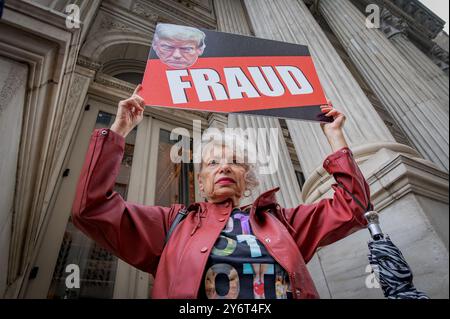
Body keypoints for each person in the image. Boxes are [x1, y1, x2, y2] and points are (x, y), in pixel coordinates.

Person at [72, 84, 371, 299]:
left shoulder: (284, 223)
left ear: (248, 180)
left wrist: (336, 136)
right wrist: (119, 131)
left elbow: (354, 208)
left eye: (235, 163)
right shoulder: (170, 224)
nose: (225, 168)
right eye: (213, 162)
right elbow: (91, 208)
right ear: (200, 182)